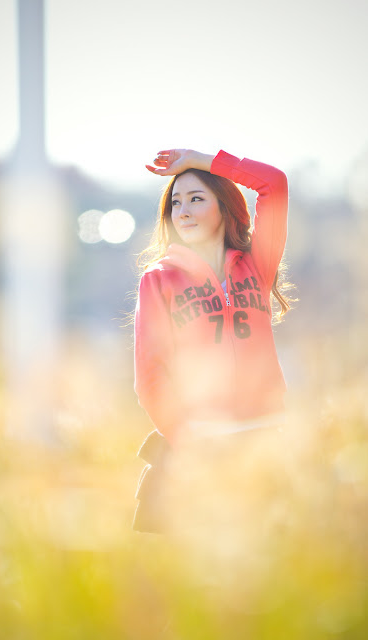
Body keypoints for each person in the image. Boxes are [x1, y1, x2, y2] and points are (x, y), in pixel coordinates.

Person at [132, 147, 291, 534]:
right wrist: (192, 442)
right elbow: (151, 375)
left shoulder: (257, 263)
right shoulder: (159, 279)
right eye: (175, 203)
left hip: (265, 444)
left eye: (197, 199)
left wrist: (200, 159)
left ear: (225, 208)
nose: (182, 211)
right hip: (199, 452)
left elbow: (274, 184)